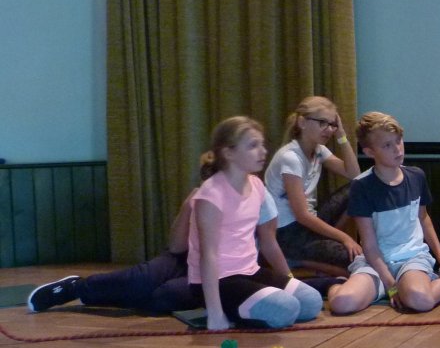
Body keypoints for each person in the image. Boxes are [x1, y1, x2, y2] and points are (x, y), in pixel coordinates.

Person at [27, 182, 284, 316]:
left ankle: (95, 295)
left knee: (164, 296)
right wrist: (188, 206)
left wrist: (287, 281)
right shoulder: (207, 197)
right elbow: (176, 246)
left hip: (222, 273)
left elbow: (269, 241)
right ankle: (76, 288)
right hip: (185, 258)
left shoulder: (258, 194)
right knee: (142, 278)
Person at [189, 116, 323, 331]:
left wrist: (285, 279)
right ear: (229, 153)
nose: (263, 151)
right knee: (286, 309)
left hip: (249, 271)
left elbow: (268, 240)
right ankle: (228, 309)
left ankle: (252, 307)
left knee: (311, 302)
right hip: (220, 280)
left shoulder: (256, 185)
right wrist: (215, 313)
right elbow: (208, 254)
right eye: (253, 146)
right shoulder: (211, 194)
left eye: (262, 144)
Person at [326, 112, 440, 314]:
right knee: (342, 303)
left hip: (411, 257)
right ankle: (336, 284)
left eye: (398, 141)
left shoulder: (416, 176)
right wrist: (391, 284)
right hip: (375, 261)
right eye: (387, 145)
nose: (397, 149)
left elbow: (423, 218)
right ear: (369, 152)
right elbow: (369, 245)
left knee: (420, 300)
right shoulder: (361, 186)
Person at [264, 95, 362, 273]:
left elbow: (354, 175)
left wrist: (342, 136)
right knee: (356, 262)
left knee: (358, 188)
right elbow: (301, 215)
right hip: (288, 233)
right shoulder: (290, 157)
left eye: (332, 124)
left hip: (308, 224)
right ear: (302, 122)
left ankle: (318, 249)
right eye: (322, 122)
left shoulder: (319, 150)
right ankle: (294, 257)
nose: (329, 130)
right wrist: (345, 238)